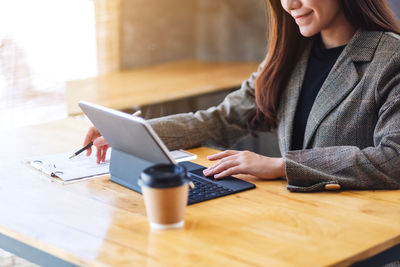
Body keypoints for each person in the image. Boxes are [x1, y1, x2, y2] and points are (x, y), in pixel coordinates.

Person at [84, 0, 400, 193]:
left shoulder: (390, 57)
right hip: (299, 222)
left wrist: (280, 165)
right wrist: (128, 131)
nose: (289, 5)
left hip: (361, 234)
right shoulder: (291, 57)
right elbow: (222, 119)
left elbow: (394, 158)